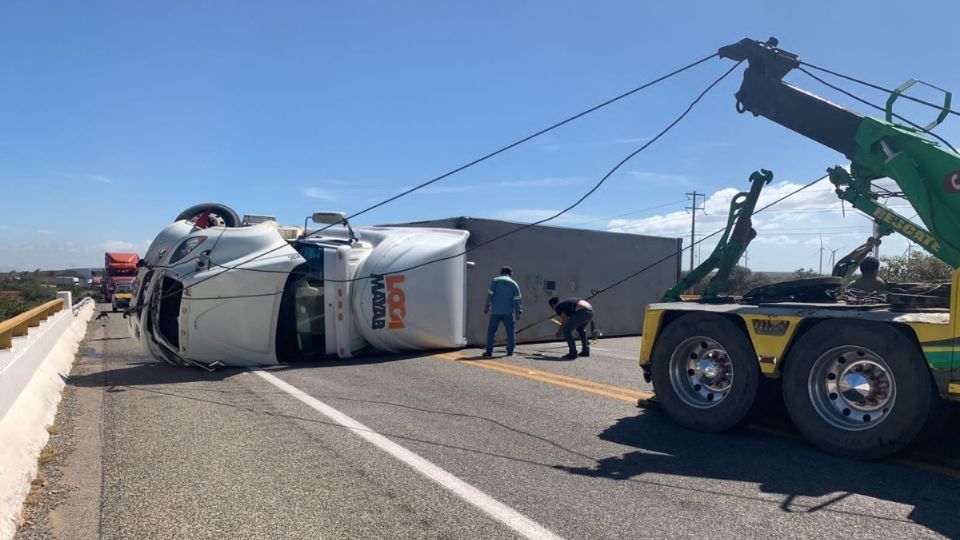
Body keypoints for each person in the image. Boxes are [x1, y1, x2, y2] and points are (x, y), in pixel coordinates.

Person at [483, 266, 522, 357]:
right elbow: (517, 299)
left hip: (495, 312)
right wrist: (518, 312)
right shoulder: (514, 284)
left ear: (501, 272)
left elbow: (490, 295)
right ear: (510, 274)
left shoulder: (495, 281)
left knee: (491, 331)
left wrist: (486, 307)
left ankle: (489, 351)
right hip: (508, 312)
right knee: (510, 331)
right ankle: (510, 351)